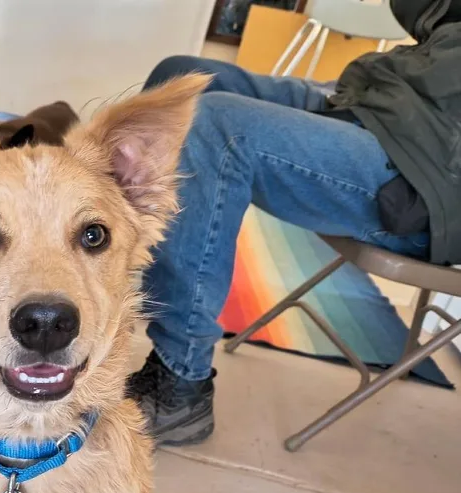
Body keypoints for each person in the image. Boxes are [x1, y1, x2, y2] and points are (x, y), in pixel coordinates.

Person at [126, 0, 461, 446]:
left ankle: (178, 384)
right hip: (383, 102)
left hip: (430, 172)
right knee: (179, 80)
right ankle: (112, 289)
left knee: (218, 127)